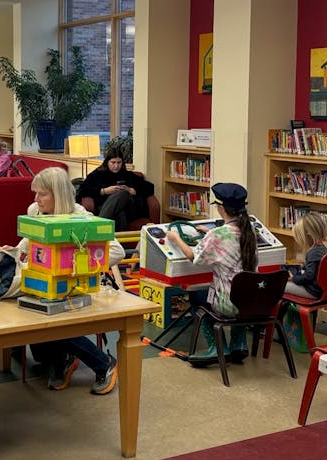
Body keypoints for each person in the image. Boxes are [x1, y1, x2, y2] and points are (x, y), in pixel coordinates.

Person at [17, 167, 123, 395]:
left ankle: (103, 364)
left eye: (42, 194)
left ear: (58, 194)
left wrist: (75, 264)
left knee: (50, 317)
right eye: (35, 193)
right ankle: (61, 359)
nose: (36, 199)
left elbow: (116, 250)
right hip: (44, 284)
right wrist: (15, 253)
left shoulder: (81, 217)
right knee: (29, 310)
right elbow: (29, 242)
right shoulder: (35, 210)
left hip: (77, 288)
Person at [166, 182, 256, 366]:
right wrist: (210, 233)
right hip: (253, 302)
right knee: (238, 292)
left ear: (221, 208)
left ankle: (218, 347)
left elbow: (193, 256)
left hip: (229, 304)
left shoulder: (217, 235)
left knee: (197, 297)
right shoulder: (250, 230)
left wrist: (175, 238)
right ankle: (238, 343)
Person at [76, 148, 154, 231]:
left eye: (119, 162)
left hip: (130, 209)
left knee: (123, 193)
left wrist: (132, 190)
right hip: (104, 208)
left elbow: (150, 187)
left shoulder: (127, 174)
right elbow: (82, 190)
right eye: (113, 162)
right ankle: (120, 243)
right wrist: (104, 191)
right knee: (120, 214)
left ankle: (100, 225)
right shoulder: (97, 174)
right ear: (107, 162)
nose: (116, 166)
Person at [283, 211, 327, 299]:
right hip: (325, 290)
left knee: (282, 286)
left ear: (308, 235)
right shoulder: (326, 247)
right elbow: (316, 269)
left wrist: (293, 279)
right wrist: (304, 266)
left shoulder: (313, 252)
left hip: (314, 291)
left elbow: (308, 277)